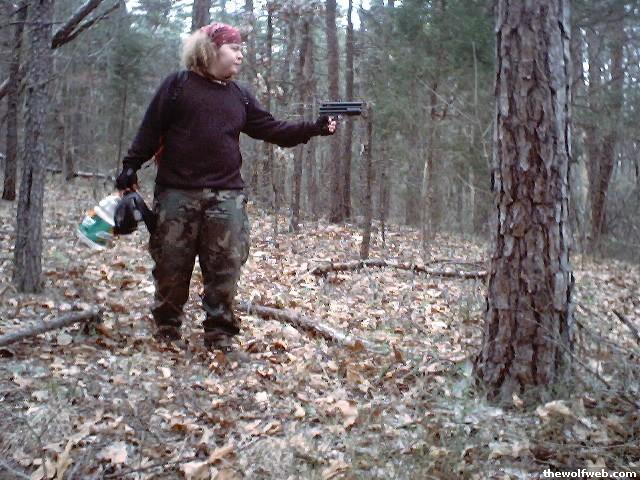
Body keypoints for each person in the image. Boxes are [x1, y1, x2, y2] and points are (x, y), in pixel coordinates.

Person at [115, 22, 336, 352]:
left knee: (225, 270)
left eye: (241, 49)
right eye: (234, 48)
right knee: (170, 267)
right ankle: (167, 330)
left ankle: (220, 336)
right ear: (210, 50)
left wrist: (313, 128)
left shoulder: (239, 97)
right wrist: (130, 166)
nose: (240, 55)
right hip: (177, 194)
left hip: (227, 197)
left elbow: (273, 129)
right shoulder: (177, 86)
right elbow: (149, 130)